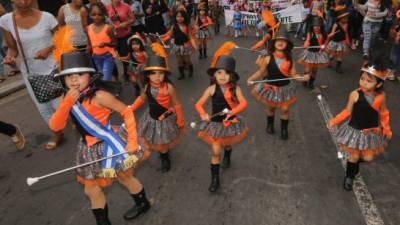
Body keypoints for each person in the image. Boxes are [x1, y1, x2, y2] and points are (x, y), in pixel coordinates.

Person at [49, 51, 151, 224]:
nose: (74, 80)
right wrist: (66, 103)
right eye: (69, 76)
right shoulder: (66, 98)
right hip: (87, 148)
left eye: (80, 74)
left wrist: (132, 141)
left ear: (90, 75)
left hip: (108, 144)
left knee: (125, 177)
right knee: (91, 190)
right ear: (63, 80)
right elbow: (55, 126)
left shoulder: (99, 96)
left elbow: (126, 111)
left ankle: (143, 203)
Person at [0, 0, 64, 150]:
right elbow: (12, 48)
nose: (24, 1)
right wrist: (10, 57)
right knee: (43, 107)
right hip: (30, 72)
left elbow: (62, 39)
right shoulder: (6, 20)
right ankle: (57, 133)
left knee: (60, 106)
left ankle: (78, 123)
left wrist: (48, 49)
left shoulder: (47, 17)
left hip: (54, 68)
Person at [328, 57, 391, 191]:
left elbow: (384, 112)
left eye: (369, 81)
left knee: (368, 158)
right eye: (362, 78)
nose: (364, 83)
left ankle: (353, 164)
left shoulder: (381, 97)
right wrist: (334, 121)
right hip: (355, 130)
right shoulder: (355, 94)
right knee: (355, 155)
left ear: (378, 84)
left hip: (371, 132)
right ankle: (349, 176)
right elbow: (347, 111)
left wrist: (386, 128)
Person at [195, 56, 248, 192]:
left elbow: (244, 103)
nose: (223, 76)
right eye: (219, 72)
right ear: (214, 74)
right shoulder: (211, 89)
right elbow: (199, 104)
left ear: (232, 76)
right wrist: (203, 114)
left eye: (226, 73)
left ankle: (228, 155)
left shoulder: (235, 89)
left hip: (229, 124)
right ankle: (215, 179)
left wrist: (232, 112)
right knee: (215, 152)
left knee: (228, 144)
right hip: (216, 124)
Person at [247, 27, 309, 140]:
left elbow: (294, 74)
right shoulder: (268, 58)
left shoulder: (290, 59)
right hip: (271, 88)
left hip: (284, 88)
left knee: (285, 109)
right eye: (278, 40)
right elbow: (260, 72)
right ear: (274, 43)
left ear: (287, 44)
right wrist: (251, 78)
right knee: (271, 108)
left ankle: (284, 129)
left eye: (283, 40)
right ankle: (270, 124)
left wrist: (303, 78)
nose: (280, 42)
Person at [130, 55, 185, 173]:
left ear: (165, 74)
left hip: (165, 119)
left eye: (161, 73)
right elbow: (141, 98)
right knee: (155, 138)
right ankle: (163, 152)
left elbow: (177, 104)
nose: (157, 77)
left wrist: (180, 120)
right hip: (151, 117)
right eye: (154, 73)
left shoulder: (168, 87)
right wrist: (131, 108)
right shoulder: (147, 86)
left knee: (163, 141)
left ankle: (165, 159)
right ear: (148, 75)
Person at [161, 9, 195, 80]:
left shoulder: (187, 26)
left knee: (187, 60)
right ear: (175, 17)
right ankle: (181, 74)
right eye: (178, 16)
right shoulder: (174, 26)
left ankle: (191, 70)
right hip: (177, 46)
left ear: (185, 17)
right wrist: (162, 39)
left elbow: (190, 36)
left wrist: (194, 45)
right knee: (179, 61)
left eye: (181, 16)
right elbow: (169, 35)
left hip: (185, 45)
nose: (179, 18)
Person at [106, 0, 135, 81]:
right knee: (119, 54)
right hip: (114, 37)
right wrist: (111, 20)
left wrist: (126, 23)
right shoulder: (107, 7)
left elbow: (133, 19)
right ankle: (127, 71)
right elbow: (104, 21)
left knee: (125, 54)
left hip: (125, 35)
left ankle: (127, 73)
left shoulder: (125, 6)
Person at [87, 2, 117, 81]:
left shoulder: (108, 28)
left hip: (108, 57)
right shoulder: (88, 28)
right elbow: (89, 44)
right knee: (102, 76)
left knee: (106, 79)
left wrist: (106, 44)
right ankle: (112, 88)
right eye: (94, 14)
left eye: (99, 14)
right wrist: (88, 47)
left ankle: (110, 90)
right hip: (96, 57)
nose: (96, 17)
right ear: (90, 15)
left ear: (104, 15)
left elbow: (115, 44)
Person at [298, 16, 329, 89]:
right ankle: (305, 80)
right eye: (315, 26)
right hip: (310, 53)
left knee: (315, 70)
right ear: (312, 27)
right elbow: (307, 40)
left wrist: (324, 47)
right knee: (308, 69)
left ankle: (311, 83)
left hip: (318, 54)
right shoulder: (310, 33)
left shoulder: (323, 34)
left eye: (318, 26)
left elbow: (325, 42)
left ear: (321, 27)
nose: (316, 28)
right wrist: (306, 43)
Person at [325, 8, 350, 74]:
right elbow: (332, 32)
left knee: (339, 55)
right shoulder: (335, 24)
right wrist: (332, 33)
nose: (346, 19)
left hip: (341, 42)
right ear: (340, 18)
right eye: (344, 18)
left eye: (346, 17)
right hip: (335, 41)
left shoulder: (346, 24)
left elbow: (346, 33)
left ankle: (338, 68)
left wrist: (347, 41)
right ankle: (329, 62)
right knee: (332, 55)